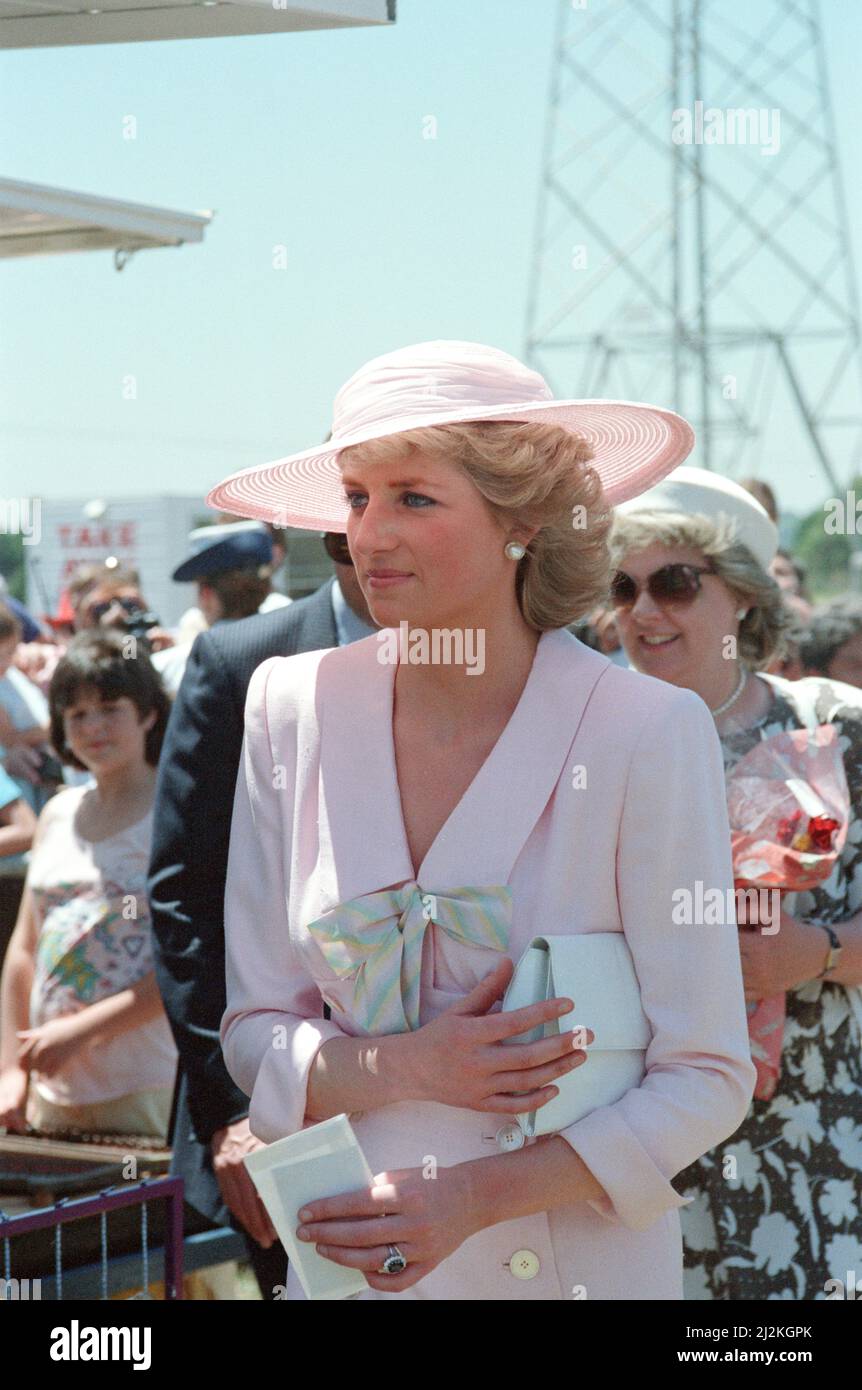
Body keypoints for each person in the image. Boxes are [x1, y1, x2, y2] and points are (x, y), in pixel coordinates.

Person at [210, 338, 756, 1301]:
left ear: (527, 521)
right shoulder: (287, 704)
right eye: (357, 497)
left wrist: (472, 1198)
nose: (370, 535)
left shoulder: (644, 730)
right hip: (348, 1272)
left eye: (415, 498)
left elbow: (708, 1072)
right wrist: (397, 1068)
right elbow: (253, 1024)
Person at [612, 466, 862, 1299]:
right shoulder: (586, 745)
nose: (644, 612)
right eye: (623, 588)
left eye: (675, 583)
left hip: (822, 1138)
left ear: (745, 598)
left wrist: (814, 955)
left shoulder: (833, 728)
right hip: (646, 1149)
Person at [147, 535, 378, 1299]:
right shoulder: (239, 663)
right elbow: (185, 895)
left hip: (456, 1111)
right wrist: (244, 1105)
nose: (376, 539)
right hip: (282, 1120)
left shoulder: (506, 655)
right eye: (349, 520)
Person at [0, 631, 177, 1139]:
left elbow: (187, 963)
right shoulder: (56, 813)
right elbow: (23, 951)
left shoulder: (176, 816)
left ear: (147, 713)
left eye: (109, 708)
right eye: (76, 714)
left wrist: (78, 1032)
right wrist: (12, 1070)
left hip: (143, 1086)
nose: (93, 727)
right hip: (48, 1090)